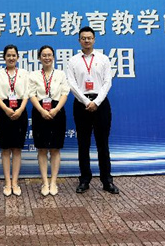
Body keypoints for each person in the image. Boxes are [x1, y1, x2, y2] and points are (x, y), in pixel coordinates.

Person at [66, 26, 119, 194]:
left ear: (94, 39)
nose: (86, 40)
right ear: (79, 40)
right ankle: (84, 180)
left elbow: (107, 82)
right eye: (83, 38)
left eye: (89, 38)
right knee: (83, 144)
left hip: (100, 104)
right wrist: (85, 101)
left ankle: (107, 180)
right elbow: (72, 84)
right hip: (81, 104)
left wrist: (96, 102)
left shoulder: (103, 59)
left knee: (103, 143)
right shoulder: (73, 61)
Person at [28, 45, 69, 196]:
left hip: (57, 111)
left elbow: (64, 93)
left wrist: (56, 109)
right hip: (40, 112)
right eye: (44, 55)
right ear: (39, 58)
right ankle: (45, 182)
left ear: (53, 57)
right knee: (42, 149)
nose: (47, 58)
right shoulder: (34, 75)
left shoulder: (60, 74)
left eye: (49, 55)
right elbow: (31, 94)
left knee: (55, 149)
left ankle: (53, 182)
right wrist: (41, 110)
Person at [0, 45, 29, 197]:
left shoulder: (24, 73)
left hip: (20, 110)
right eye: (8, 55)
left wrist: (20, 110)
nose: (11, 58)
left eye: (14, 55)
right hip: (3, 110)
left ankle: (15, 182)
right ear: (4, 57)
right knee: (5, 149)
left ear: (18, 57)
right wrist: (6, 109)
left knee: (17, 149)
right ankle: (7, 182)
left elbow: (27, 94)